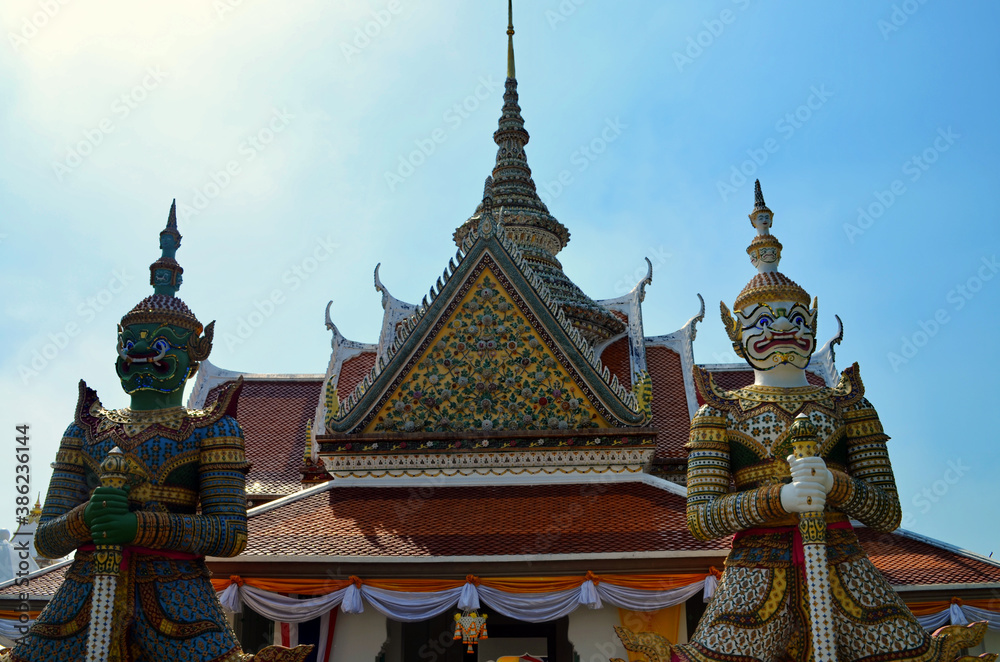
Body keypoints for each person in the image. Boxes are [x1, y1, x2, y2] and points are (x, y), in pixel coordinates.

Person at [618, 182, 990, 662]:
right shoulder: (719, 414)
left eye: (794, 318)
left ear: (811, 325)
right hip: (755, 574)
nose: (782, 330)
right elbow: (702, 519)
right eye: (763, 322)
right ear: (736, 335)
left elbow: (887, 513)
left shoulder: (847, 406)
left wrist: (833, 484)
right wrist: (782, 497)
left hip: (841, 559)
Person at [0, 203, 311, 662]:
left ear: (194, 357)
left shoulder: (212, 429)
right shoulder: (85, 429)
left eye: (160, 346)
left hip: (178, 603)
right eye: (132, 346)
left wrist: (137, 526)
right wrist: (87, 517)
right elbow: (46, 541)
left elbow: (229, 534)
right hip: (82, 600)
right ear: (117, 356)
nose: (142, 354)